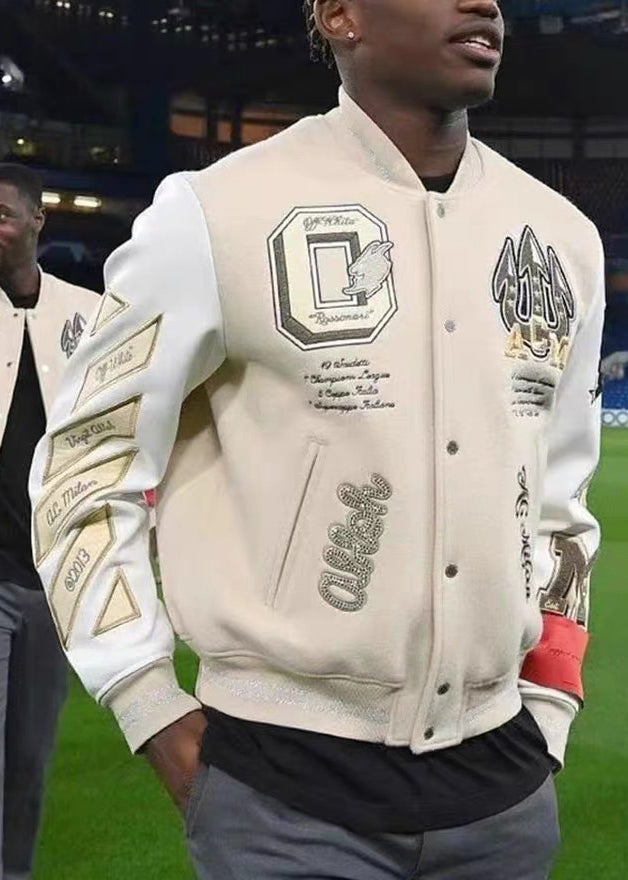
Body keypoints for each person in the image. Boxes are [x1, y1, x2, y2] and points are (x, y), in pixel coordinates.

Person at [29, 1, 605, 878]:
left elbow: (562, 505)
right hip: (281, 794)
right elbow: (84, 462)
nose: (483, 2)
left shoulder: (562, 239)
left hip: (504, 794)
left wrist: (550, 707)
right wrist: (147, 702)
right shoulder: (216, 214)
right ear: (340, 15)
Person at [0, 163, 99, 879]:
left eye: (4, 213)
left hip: (50, 578)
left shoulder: (86, 314)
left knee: (30, 760)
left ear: (38, 220)